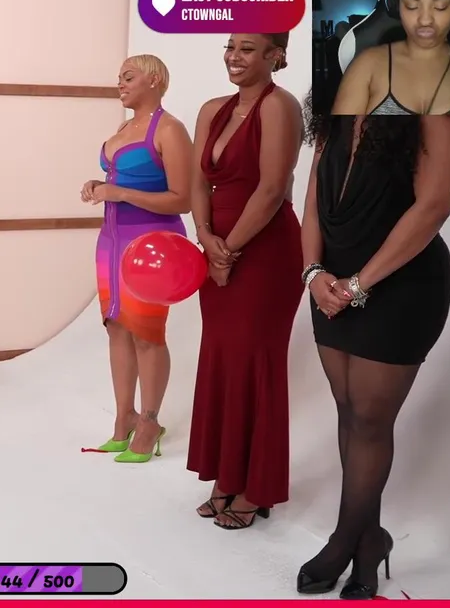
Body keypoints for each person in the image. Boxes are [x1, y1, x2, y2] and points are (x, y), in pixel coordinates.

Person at [297, 106, 450, 598]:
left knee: (370, 419)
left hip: (400, 284)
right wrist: (313, 273)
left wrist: (358, 285)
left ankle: (343, 539)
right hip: (330, 282)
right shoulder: (337, 105)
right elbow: (313, 201)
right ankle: (370, 539)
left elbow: (434, 206)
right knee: (349, 412)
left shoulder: (439, 106)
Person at [186, 33, 304, 529]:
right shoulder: (211, 109)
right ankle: (225, 476)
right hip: (215, 245)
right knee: (222, 359)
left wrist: (228, 249)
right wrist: (205, 236)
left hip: (265, 250)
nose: (234, 57)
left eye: (248, 49)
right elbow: (196, 181)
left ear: (276, 55)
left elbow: (273, 188)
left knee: (255, 363)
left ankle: (256, 487)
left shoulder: (280, 106)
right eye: (231, 47)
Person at [81, 54, 193, 463]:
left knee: (147, 333)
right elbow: (121, 180)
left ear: (155, 80)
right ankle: (123, 417)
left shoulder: (170, 129)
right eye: (119, 77)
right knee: (116, 327)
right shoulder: (124, 129)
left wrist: (121, 193)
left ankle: (149, 422)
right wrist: (99, 185)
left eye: (128, 77)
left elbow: (183, 198)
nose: (120, 84)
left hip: (152, 246)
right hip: (111, 242)